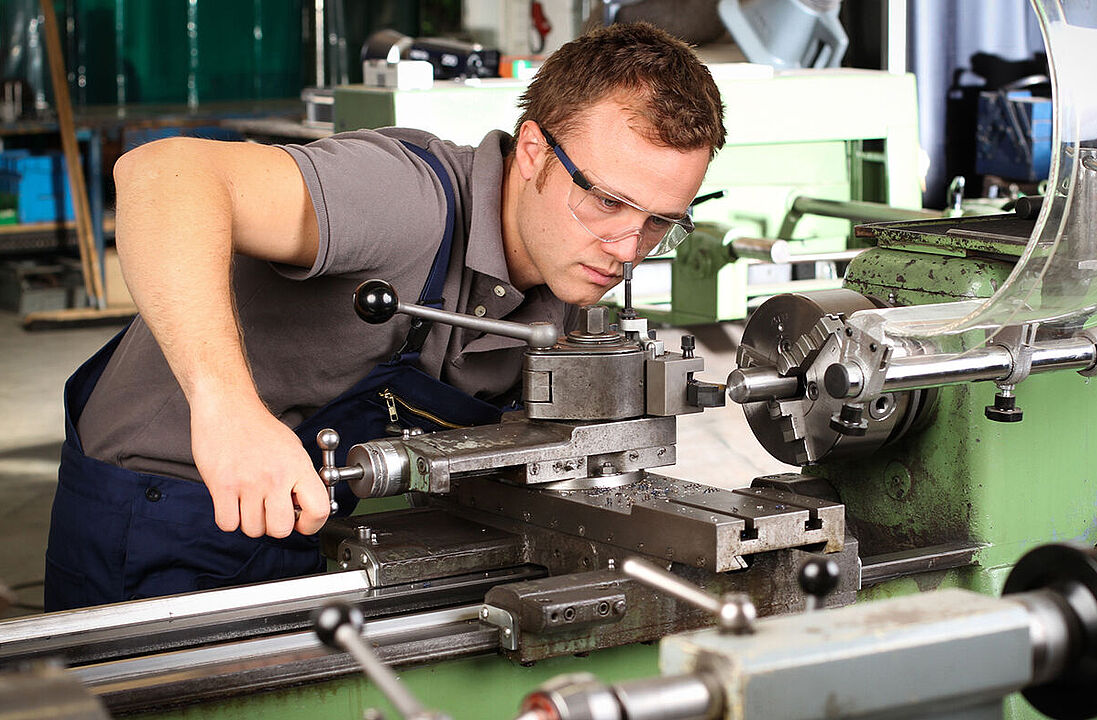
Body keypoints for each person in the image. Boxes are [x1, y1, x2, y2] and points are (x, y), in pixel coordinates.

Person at [45, 22, 726, 611]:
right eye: (607, 201)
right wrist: (226, 408)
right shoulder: (407, 200)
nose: (628, 250)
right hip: (154, 513)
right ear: (533, 153)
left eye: (661, 222)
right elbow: (161, 175)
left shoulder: (562, 282)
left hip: (299, 519)